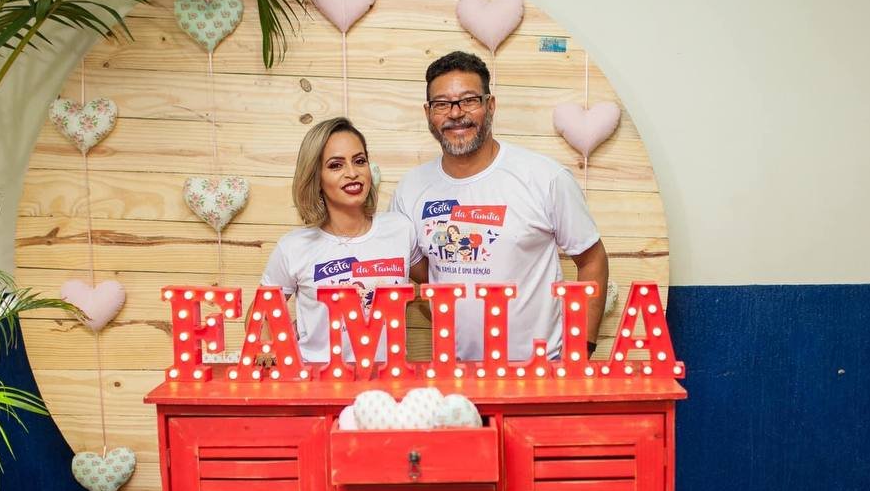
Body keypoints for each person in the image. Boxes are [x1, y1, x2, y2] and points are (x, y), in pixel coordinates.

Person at [391, 51, 610, 362]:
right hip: (454, 374)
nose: (456, 113)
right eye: (442, 104)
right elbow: (419, 268)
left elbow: (592, 260)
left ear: (490, 105)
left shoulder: (545, 177)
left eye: (469, 100)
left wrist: (580, 351)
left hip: (539, 371)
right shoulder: (410, 188)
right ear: (428, 113)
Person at [260, 117, 424, 364]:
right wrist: (268, 350)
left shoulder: (400, 229)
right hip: (317, 381)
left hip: (387, 380)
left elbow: (439, 280)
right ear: (316, 177)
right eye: (336, 165)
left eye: (359, 161)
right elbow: (260, 316)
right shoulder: (293, 247)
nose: (352, 173)